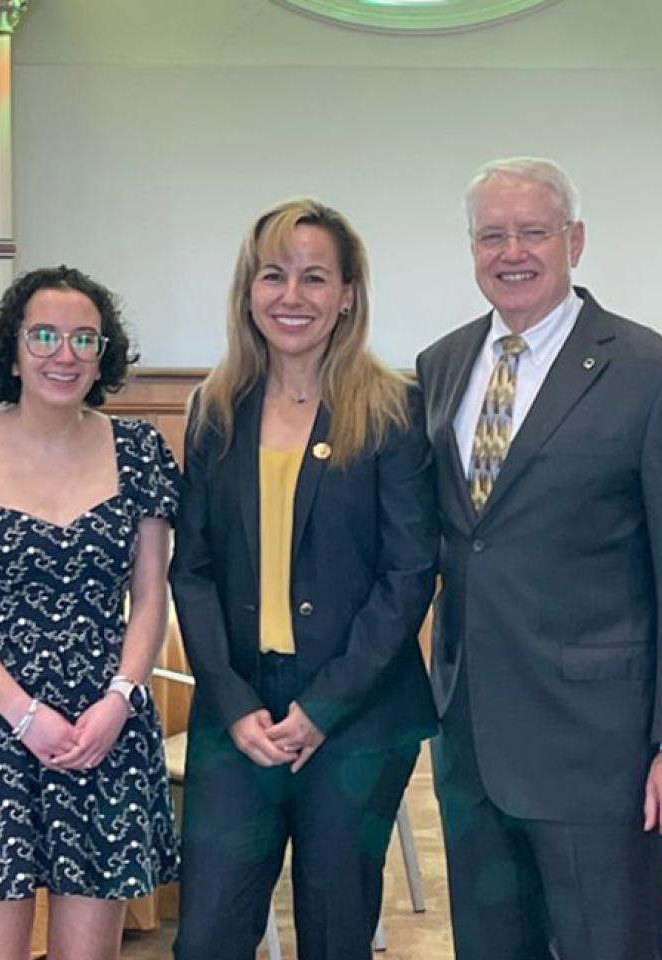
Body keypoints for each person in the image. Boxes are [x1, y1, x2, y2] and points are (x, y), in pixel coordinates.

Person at [416, 157, 662, 960]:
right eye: (492, 235)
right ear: (472, 248)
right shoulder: (440, 365)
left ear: (574, 240)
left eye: (532, 232)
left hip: (600, 746)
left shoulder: (651, 375)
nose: (511, 251)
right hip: (474, 738)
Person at [169, 198, 438, 960]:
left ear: (348, 294)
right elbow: (192, 571)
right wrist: (231, 698)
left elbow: (408, 572)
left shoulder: (392, 408)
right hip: (239, 712)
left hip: (356, 720)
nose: (293, 297)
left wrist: (323, 708)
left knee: (336, 930)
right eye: (274, 276)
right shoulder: (215, 410)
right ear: (248, 291)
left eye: (315, 278)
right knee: (209, 933)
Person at [0, 265, 180, 960]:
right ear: (12, 349)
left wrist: (121, 697)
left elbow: (150, 595)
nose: (65, 353)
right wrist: (23, 714)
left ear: (104, 355)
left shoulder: (138, 453)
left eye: (86, 339)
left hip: (101, 727)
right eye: (45, 335)